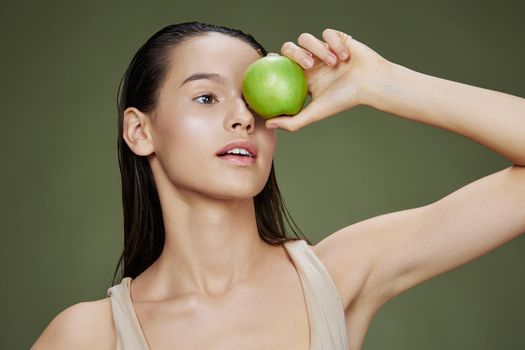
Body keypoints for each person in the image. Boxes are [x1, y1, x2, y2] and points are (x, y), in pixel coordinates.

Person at [32, 21, 525, 350]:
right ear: (140, 131)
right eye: (206, 97)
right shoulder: (88, 335)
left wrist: (383, 82)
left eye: (254, 98)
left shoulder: (341, 274)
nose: (243, 117)